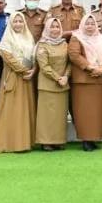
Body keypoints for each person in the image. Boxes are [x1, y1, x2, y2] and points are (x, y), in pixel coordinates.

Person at [0, 11, 37, 153]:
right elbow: (8, 57)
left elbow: (34, 56)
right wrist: (24, 70)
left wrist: (33, 70)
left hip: (27, 79)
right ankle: (9, 144)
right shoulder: (7, 39)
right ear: (11, 23)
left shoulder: (29, 37)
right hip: (12, 77)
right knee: (11, 110)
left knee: (25, 110)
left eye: (20, 21)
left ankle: (25, 143)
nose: (18, 24)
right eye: (15, 22)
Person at [68, 14, 102, 151]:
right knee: (83, 112)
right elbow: (74, 55)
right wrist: (89, 67)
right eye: (87, 23)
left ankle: (93, 138)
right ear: (82, 25)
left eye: (92, 23)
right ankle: (85, 140)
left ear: (96, 25)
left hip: (98, 80)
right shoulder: (76, 37)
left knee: (96, 112)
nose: (89, 26)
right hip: (82, 81)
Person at [35, 18, 70, 151]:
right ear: (47, 29)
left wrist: (66, 76)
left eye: (57, 27)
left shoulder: (64, 44)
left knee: (60, 115)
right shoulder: (42, 44)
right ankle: (46, 142)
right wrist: (58, 78)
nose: (55, 29)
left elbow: (69, 62)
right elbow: (44, 66)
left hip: (63, 84)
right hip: (47, 84)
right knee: (47, 115)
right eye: (52, 27)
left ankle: (58, 140)